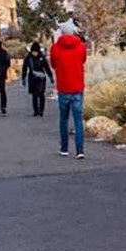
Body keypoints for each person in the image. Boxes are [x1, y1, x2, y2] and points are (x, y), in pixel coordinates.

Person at [49, 23, 88, 158]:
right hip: (77, 87)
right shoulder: (81, 47)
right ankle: (80, 150)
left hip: (63, 87)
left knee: (63, 119)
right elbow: (83, 60)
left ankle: (64, 148)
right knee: (78, 119)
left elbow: (53, 64)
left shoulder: (55, 48)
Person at [19, 41, 54, 117]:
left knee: (41, 94)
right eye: (33, 52)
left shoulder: (42, 58)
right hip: (32, 78)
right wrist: (23, 78)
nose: (34, 53)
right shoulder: (28, 58)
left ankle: (41, 110)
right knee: (34, 95)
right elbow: (24, 69)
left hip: (41, 78)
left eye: (36, 52)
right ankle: (36, 111)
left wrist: (51, 77)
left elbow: (47, 68)